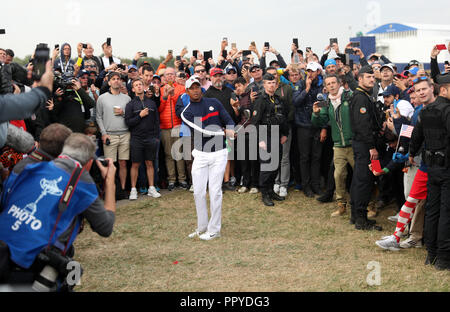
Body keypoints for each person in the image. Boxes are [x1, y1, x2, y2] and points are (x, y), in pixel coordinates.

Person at [0, 133, 116, 289]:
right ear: (89, 161)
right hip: (34, 261)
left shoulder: (33, 166)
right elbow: (106, 227)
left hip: (7, 247)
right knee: (72, 269)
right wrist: (110, 183)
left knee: (72, 267)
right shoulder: (82, 182)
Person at [181, 76, 234, 241]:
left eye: (198, 87)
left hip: (219, 153)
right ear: (187, 91)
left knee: (215, 191)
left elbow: (228, 119)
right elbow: (203, 130)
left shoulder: (215, 103)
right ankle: (202, 227)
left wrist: (231, 128)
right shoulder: (186, 112)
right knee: (198, 192)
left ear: (201, 88)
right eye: (192, 88)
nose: (196, 90)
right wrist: (223, 132)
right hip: (201, 154)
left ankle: (214, 229)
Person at [408, 73, 450, 270]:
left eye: (423, 89)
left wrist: (410, 154)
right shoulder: (445, 110)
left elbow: (416, 137)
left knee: (432, 211)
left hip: (431, 167)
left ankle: (431, 254)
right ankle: (442, 258)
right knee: (444, 213)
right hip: (444, 168)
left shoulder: (425, 112)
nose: (421, 93)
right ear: (443, 89)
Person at [311, 74, 354, 216]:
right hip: (338, 145)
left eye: (333, 82)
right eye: (328, 84)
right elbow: (319, 122)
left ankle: (369, 204)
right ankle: (341, 205)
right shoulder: (326, 102)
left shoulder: (350, 96)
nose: (331, 85)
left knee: (361, 175)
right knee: (338, 175)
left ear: (339, 83)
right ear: (325, 87)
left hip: (353, 143)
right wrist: (316, 114)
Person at [349, 65, 383, 231]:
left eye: (373, 77)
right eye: (368, 77)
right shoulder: (361, 97)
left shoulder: (364, 95)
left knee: (359, 179)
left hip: (363, 143)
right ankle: (360, 219)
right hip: (365, 144)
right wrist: (371, 147)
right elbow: (363, 125)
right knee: (364, 180)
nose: (372, 79)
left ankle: (355, 215)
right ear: (360, 79)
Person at [251, 73, 289, 206]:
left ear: (276, 84)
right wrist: (260, 140)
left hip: (277, 134)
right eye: (269, 83)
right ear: (264, 84)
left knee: (276, 165)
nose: (271, 85)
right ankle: (264, 193)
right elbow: (255, 122)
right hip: (265, 135)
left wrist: (285, 134)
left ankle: (271, 190)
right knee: (267, 166)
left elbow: (284, 117)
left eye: (273, 83)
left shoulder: (279, 99)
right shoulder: (260, 100)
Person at [96, 72, 131, 200]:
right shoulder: (102, 98)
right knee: (110, 164)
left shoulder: (127, 98)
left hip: (125, 133)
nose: (116, 81)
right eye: (113, 79)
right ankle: (111, 190)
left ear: (121, 82)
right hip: (109, 135)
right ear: (109, 82)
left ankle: (122, 189)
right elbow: (98, 116)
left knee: (123, 163)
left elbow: (130, 117)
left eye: (118, 79)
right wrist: (103, 133)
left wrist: (123, 113)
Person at [125, 79, 161, 200]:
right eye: (136, 85)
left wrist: (156, 137)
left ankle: (151, 188)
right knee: (135, 164)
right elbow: (128, 122)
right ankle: (133, 190)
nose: (139, 87)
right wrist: (139, 116)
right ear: (133, 89)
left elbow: (156, 121)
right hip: (136, 138)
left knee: (150, 163)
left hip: (151, 138)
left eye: (140, 84)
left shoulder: (151, 103)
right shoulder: (130, 105)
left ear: (143, 87)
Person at [292, 62, 325, 197]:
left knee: (316, 157)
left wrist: (324, 128)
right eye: (308, 71)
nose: (309, 74)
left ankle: (315, 185)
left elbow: (324, 108)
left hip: (317, 126)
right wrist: (306, 89)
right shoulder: (300, 84)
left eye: (312, 71)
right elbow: (295, 102)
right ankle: (306, 186)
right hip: (303, 126)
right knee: (304, 157)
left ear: (318, 71)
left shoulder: (322, 86)